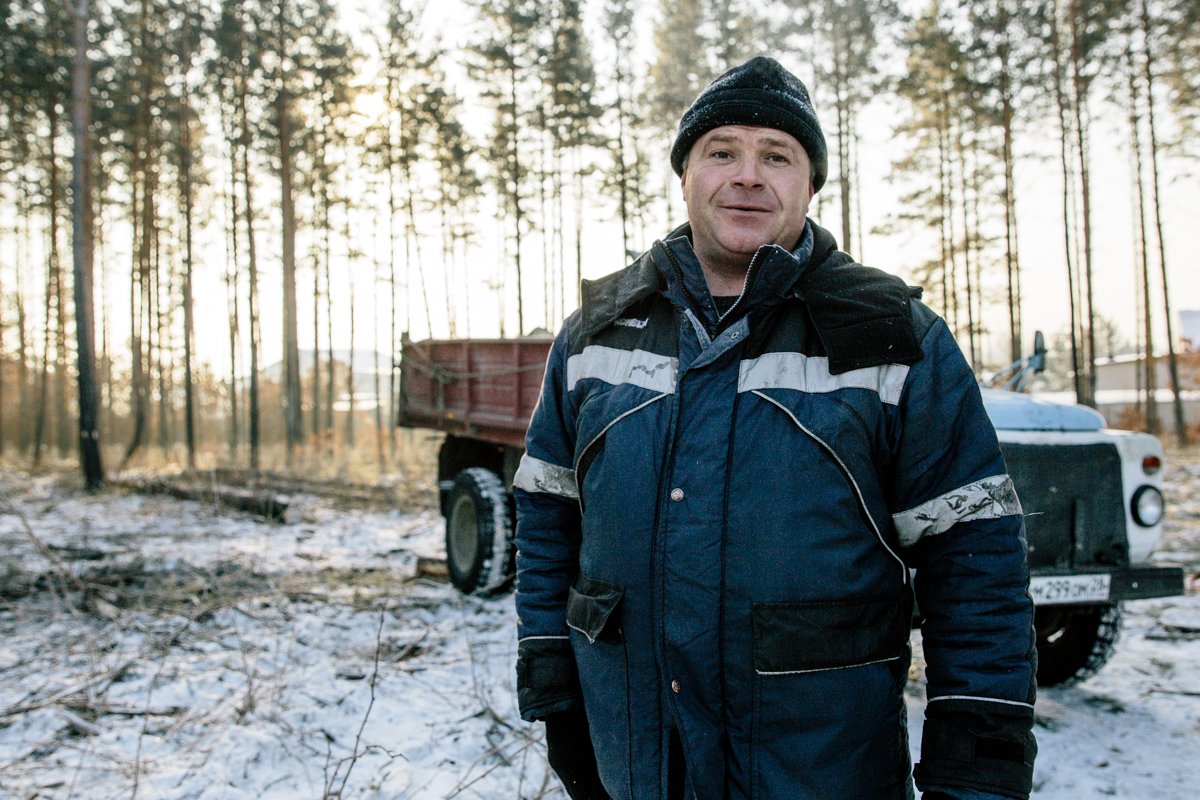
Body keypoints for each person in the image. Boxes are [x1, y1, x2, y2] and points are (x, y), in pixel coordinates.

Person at [512, 55, 1037, 800]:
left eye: (777, 156)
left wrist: (977, 767)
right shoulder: (597, 332)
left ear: (811, 183)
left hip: (824, 772)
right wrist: (555, 691)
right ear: (685, 175)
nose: (748, 176)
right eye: (722, 151)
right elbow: (546, 518)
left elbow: (976, 564)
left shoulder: (891, 334)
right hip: (635, 764)